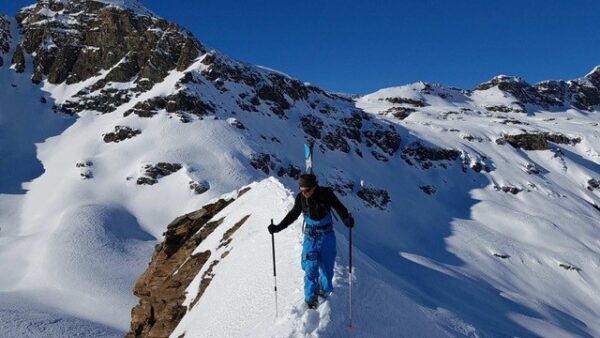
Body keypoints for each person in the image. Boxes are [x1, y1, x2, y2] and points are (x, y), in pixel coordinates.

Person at [268, 173, 354, 309]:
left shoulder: (326, 194)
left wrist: (346, 220)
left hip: (326, 235)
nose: (304, 193)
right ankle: (310, 298)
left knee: (326, 268)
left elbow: (339, 207)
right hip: (310, 236)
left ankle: (325, 294)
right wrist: (278, 227)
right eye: (301, 190)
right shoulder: (301, 198)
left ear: (314, 187)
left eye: (306, 190)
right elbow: (292, 215)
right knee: (310, 267)